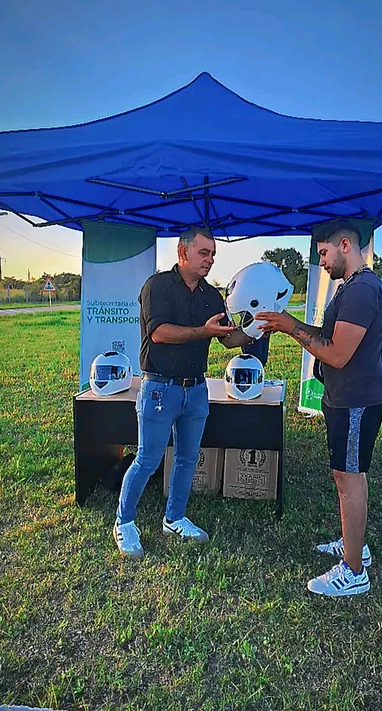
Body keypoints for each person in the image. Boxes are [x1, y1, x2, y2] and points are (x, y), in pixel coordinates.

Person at [256, 219, 382, 597]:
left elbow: (337, 353)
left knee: (350, 480)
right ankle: (354, 544)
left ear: (345, 245)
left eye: (324, 254)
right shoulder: (352, 287)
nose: (323, 262)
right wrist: (289, 323)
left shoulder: (362, 290)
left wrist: (288, 326)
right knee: (346, 475)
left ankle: (354, 570)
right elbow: (327, 337)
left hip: (356, 401)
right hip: (344, 397)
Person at [114, 227, 252, 558]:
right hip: (160, 389)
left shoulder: (212, 296)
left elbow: (227, 339)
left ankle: (174, 518)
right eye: (204, 253)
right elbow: (159, 333)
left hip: (196, 389)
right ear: (182, 252)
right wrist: (203, 331)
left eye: (213, 254)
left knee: (188, 459)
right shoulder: (157, 286)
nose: (210, 260)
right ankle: (124, 522)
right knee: (147, 460)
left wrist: (256, 329)